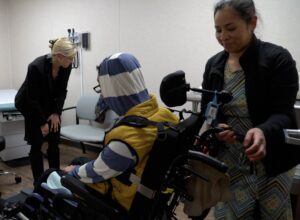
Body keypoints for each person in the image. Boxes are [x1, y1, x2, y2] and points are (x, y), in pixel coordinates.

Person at [200, 0, 299, 219]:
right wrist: (217, 127)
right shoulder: (215, 65)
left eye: (231, 28)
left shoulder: (277, 59)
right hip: (230, 161)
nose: (223, 36)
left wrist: (262, 131)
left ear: (252, 22)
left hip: (271, 158)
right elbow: (210, 108)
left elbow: (283, 113)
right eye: (218, 29)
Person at [61, 52, 179, 211]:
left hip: (118, 199)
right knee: (78, 159)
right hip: (145, 190)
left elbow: (98, 170)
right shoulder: (166, 116)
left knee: (52, 173)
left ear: (113, 90)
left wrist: (73, 172)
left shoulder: (126, 138)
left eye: (102, 88)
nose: (102, 95)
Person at [15, 37, 77, 186]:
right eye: (71, 58)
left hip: (49, 104)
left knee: (54, 142)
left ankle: (55, 178)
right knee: (37, 143)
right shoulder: (35, 67)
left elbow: (62, 91)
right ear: (60, 56)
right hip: (29, 104)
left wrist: (56, 113)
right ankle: (39, 182)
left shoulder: (66, 66)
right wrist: (42, 122)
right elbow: (32, 99)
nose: (72, 61)